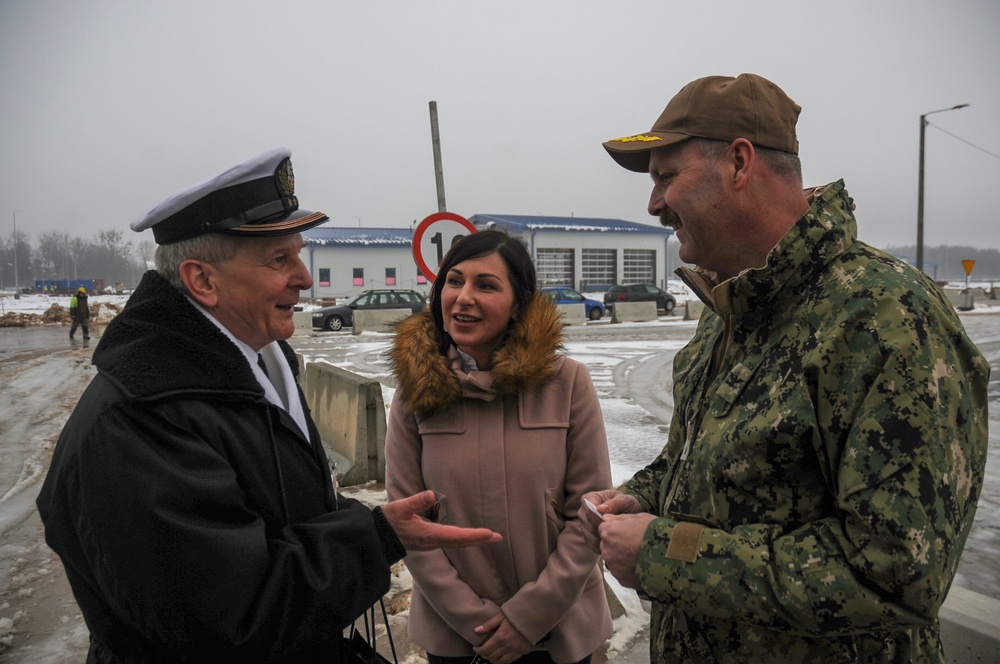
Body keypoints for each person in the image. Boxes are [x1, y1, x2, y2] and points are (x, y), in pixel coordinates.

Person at [37, 148, 502, 664]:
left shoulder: (261, 359)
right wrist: (372, 540)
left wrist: (373, 528)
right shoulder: (139, 421)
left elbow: (281, 516)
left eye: (298, 255)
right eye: (279, 260)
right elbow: (236, 620)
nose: (303, 278)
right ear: (202, 281)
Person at [582, 73, 990, 662]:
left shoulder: (885, 316)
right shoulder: (727, 310)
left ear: (740, 164)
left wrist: (666, 552)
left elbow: (895, 574)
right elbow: (702, 464)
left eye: (666, 178)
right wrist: (643, 498)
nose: (653, 205)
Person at [385, 230, 613, 664]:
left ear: (518, 305)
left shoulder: (567, 384)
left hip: (557, 631)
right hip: (457, 638)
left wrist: (529, 618)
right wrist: (475, 620)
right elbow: (408, 521)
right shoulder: (416, 392)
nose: (463, 298)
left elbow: (590, 513)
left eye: (486, 285)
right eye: (454, 281)